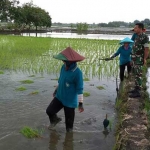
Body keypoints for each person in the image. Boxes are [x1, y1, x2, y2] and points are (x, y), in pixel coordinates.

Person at [46, 47, 85, 132]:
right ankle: (55, 120)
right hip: (60, 97)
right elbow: (61, 81)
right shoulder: (63, 68)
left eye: (64, 61)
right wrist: (56, 90)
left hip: (70, 102)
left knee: (69, 128)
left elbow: (80, 89)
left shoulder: (77, 73)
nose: (63, 62)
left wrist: (80, 104)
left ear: (70, 62)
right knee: (49, 111)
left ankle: (68, 142)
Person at [129, 22, 149, 98]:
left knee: (138, 74)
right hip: (134, 58)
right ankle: (136, 88)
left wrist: (144, 59)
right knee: (135, 74)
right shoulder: (136, 36)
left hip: (139, 59)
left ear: (140, 28)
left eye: (136, 28)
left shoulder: (145, 37)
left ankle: (138, 92)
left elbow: (146, 49)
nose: (134, 29)